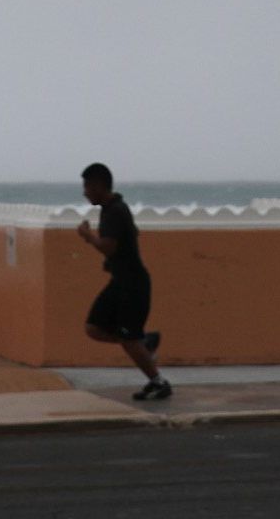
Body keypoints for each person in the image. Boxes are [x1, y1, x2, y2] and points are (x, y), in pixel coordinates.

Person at [76, 162, 168, 400]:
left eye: (87, 186)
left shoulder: (115, 210)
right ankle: (144, 343)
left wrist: (88, 237)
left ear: (98, 186)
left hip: (133, 285)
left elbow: (108, 247)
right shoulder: (110, 209)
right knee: (93, 328)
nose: (84, 192)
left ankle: (158, 382)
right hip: (120, 282)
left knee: (128, 338)